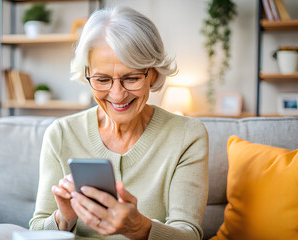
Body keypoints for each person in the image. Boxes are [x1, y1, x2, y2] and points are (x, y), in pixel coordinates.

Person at [30, 6, 208, 240]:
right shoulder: (61, 134)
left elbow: (189, 235)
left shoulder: (187, 136)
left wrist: (140, 228)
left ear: (153, 74)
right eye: (102, 79)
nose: (117, 94)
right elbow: (35, 231)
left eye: (131, 78)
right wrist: (64, 218)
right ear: (87, 74)